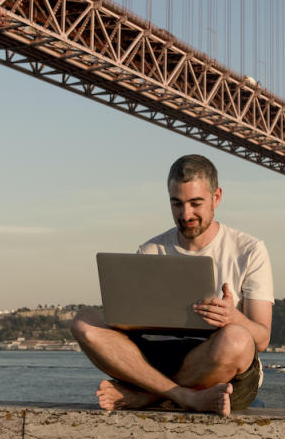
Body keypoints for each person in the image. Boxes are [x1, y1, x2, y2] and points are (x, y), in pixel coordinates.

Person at [70, 154, 274, 417]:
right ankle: (185, 396)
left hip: (220, 365)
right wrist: (125, 318)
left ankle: (147, 395)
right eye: (176, 204)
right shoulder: (151, 249)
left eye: (195, 203)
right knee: (83, 322)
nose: (186, 214)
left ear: (217, 197)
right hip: (160, 357)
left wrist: (233, 318)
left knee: (237, 339)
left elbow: (262, 338)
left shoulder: (249, 250)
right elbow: (129, 330)